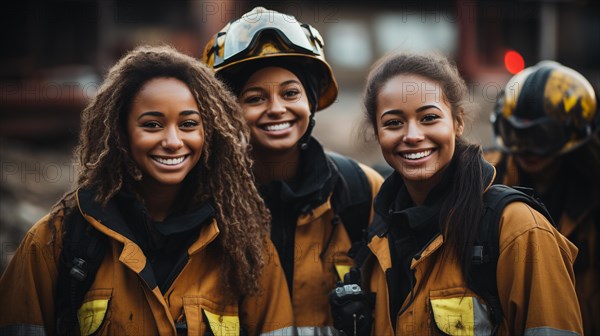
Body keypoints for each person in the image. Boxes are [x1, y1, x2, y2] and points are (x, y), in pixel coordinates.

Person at [0, 45, 293, 335]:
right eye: (152, 125)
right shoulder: (56, 241)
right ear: (121, 133)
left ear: (209, 132)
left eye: (189, 124)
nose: (173, 141)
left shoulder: (246, 248)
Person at [353, 52, 582, 335]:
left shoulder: (518, 230)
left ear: (458, 122)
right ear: (377, 133)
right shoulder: (378, 240)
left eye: (429, 117)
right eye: (393, 123)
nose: (412, 135)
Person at [203, 7, 384, 334]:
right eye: (255, 98)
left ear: (311, 102)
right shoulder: (204, 202)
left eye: (290, 93)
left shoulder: (359, 191)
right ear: (229, 111)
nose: (276, 109)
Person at [486, 61, 600, 335]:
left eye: (540, 136)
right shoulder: (485, 177)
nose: (525, 147)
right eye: (516, 133)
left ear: (575, 132)